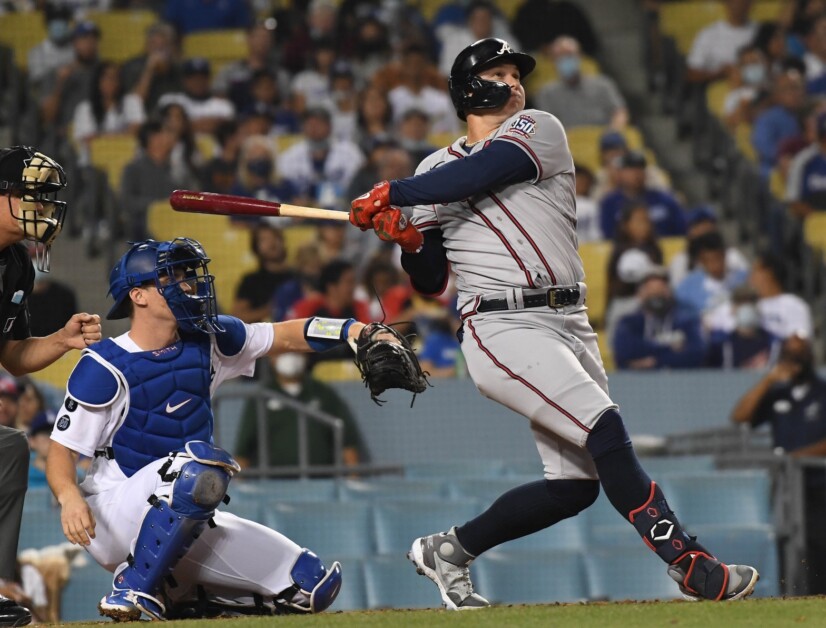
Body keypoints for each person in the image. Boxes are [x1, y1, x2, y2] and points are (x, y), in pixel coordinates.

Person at [348, 38, 758, 609]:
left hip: (569, 318)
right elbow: (429, 281)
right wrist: (410, 240)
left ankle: (450, 550)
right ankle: (689, 563)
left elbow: (485, 170)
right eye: (500, 72)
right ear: (468, 87)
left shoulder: (537, 129)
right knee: (605, 428)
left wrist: (394, 192)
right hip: (500, 325)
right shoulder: (431, 170)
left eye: (517, 73)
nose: (514, 82)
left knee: (575, 487)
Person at [44, 237, 383, 620]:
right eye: (172, 277)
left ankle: (183, 598)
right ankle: (132, 587)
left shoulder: (208, 339)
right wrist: (69, 497)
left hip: (185, 518)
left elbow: (283, 335)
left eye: (188, 276)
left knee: (309, 584)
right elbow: (61, 449)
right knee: (197, 470)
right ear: (138, 296)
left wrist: (353, 330)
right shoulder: (104, 363)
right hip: (113, 515)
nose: (188, 285)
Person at [0, 145, 102, 627]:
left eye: (45, 198)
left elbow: (14, 357)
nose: (42, 208)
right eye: (31, 195)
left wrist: (61, 340)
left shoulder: (16, 264)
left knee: (9, 447)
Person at [730, 334, 826, 593]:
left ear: (810, 357)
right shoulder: (777, 393)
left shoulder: (822, 392)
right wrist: (769, 379)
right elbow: (741, 416)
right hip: (786, 487)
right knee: (785, 541)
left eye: (799, 355)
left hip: (818, 486)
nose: (794, 361)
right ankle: (790, 593)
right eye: (789, 355)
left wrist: (795, 458)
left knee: (819, 543)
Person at [235, 352, 365, 474]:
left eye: (295, 350)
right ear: (271, 357)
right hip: (272, 485)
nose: (290, 356)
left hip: (322, 484)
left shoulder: (323, 393)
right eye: (283, 351)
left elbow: (348, 444)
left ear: (306, 354)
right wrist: (240, 490)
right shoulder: (260, 397)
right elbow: (243, 451)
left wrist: (352, 481)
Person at [613, 270, 706, 371]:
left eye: (660, 291)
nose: (656, 295)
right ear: (640, 294)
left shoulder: (686, 321)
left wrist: (655, 362)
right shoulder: (628, 323)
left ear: (669, 292)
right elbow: (624, 353)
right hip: (638, 382)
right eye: (651, 291)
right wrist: (669, 347)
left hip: (678, 381)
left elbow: (696, 354)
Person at [534, 35, 628, 130]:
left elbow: (619, 112)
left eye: (569, 55)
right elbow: (546, 125)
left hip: (602, 138)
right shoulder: (547, 93)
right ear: (553, 61)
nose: (565, 60)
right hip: (568, 141)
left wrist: (613, 132)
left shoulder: (603, 84)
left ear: (579, 56)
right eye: (560, 56)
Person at [231, 224, 295, 324]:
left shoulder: (298, 276)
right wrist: (270, 309)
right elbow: (237, 317)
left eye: (275, 237)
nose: (272, 242)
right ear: (256, 247)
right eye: (264, 239)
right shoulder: (251, 281)